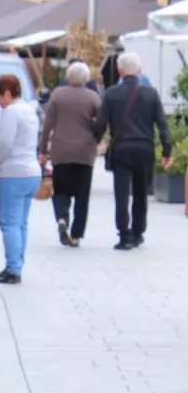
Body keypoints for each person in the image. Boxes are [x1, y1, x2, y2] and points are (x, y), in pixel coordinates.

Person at [93, 51, 172, 250]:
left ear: (119, 71)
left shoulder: (111, 93)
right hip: (145, 150)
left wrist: (96, 142)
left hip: (121, 149)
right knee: (140, 193)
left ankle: (124, 234)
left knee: (121, 194)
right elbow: (163, 125)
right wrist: (167, 151)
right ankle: (138, 232)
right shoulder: (151, 93)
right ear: (139, 70)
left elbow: (100, 123)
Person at [0, 73, 44, 284]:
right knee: (21, 223)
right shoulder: (30, 111)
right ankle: (17, 264)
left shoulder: (11, 112)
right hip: (31, 172)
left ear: (8, 93)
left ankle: (12, 269)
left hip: (12, 174)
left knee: (9, 223)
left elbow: (4, 144)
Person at [38, 61, 102, 247]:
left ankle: (61, 217)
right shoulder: (93, 97)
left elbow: (47, 125)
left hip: (61, 150)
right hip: (84, 151)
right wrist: (96, 138)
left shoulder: (57, 95)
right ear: (86, 78)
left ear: (68, 77)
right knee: (82, 195)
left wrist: (43, 151)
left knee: (60, 189)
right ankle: (76, 235)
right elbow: (101, 122)